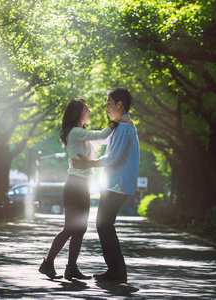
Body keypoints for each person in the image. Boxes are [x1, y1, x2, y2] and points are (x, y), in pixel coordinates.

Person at [39, 98, 131, 280]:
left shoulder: (82, 133)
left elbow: (103, 141)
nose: (89, 110)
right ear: (78, 113)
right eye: (86, 108)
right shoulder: (74, 132)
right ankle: (47, 263)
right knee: (70, 228)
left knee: (80, 229)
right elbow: (102, 135)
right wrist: (118, 120)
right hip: (74, 185)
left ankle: (71, 268)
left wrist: (120, 131)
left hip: (84, 187)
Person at [72, 87, 139, 283]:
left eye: (109, 103)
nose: (106, 107)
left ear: (119, 104)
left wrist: (88, 163)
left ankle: (117, 271)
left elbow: (113, 158)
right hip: (114, 183)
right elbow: (106, 144)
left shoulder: (125, 127)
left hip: (117, 183)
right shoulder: (122, 125)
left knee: (104, 224)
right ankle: (116, 270)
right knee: (104, 225)